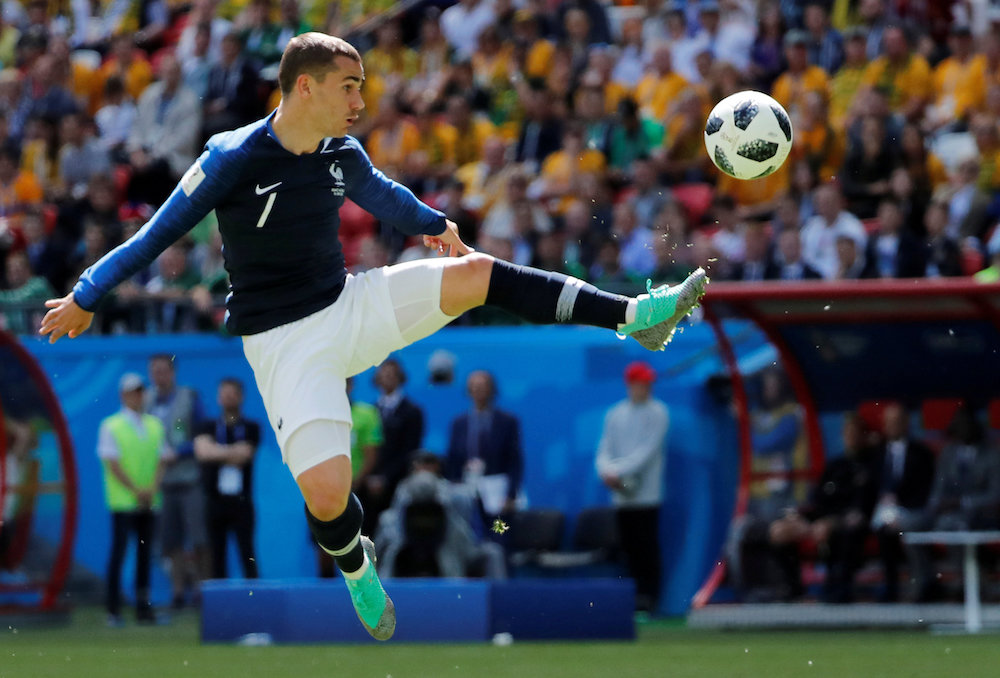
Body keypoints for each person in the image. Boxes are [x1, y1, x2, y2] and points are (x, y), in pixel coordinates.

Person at [38, 32, 706, 641]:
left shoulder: (341, 151)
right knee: (329, 495)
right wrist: (85, 295)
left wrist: (434, 222)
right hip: (284, 344)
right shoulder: (231, 157)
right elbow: (155, 234)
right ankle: (357, 566)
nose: (361, 101)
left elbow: (383, 195)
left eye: (361, 86)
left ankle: (635, 316)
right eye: (349, 87)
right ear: (306, 87)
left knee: (476, 273)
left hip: (350, 303)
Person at [595, 361, 668, 614]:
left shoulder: (659, 412)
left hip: (647, 495)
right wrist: (607, 471)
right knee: (629, 549)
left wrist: (618, 472)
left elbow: (647, 452)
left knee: (647, 547)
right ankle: (633, 601)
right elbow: (604, 449)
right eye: (641, 383)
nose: (645, 388)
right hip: (621, 495)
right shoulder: (615, 414)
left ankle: (651, 600)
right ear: (630, 385)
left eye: (647, 384)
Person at [97, 372, 169, 626]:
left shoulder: (154, 424)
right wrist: (137, 490)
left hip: (148, 500)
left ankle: (142, 609)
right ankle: (113, 609)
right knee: (119, 553)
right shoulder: (111, 425)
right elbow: (113, 463)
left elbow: (162, 459)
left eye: (140, 392)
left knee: (145, 555)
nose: (137, 397)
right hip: (124, 502)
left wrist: (151, 489)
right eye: (132, 392)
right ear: (123, 395)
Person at [145, 354, 208, 609]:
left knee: (199, 537)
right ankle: (178, 592)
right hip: (162, 483)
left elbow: (203, 435)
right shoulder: (146, 401)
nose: (158, 376)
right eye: (154, 371)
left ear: (172, 372)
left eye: (162, 371)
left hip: (189, 478)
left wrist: (180, 452)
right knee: (170, 542)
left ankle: (204, 589)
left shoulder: (188, 397)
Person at [193, 377, 261, 579]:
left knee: (247, 553)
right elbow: (203, 453)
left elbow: (246, 454)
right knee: (216, 556)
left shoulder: (251, 427)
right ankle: (219, 597)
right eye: (225, 394)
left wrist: (217, 451)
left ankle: (254, 595)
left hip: (241, 501)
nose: (228, 398)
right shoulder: (207, 426)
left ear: (241, 397)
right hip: (214, 499)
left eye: (233, 394)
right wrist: (232, 452)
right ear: (218, 397)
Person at [870, 402, 935, 602]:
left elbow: (926, 488)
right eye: (888, 422)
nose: (892, 426)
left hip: (912, 509)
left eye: (897, 421)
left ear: (906, 422)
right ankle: (890, 586)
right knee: (883, 530)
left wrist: (901, 503)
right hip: (883, 510)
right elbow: (871, 486)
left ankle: (923, 585)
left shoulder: (921, 453)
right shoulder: (877, 453)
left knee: (906, 528)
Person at [444, 370, 524, 522]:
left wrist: (511, 494)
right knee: (468, 528)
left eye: (482, 386)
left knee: (498, 528)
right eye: (474, 386)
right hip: (467, 488)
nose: (478, 390)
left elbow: (514, 460)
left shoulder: (507, 421)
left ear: (492, 389)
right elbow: (452, 458)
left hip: (497, 489)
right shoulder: (459, 423)